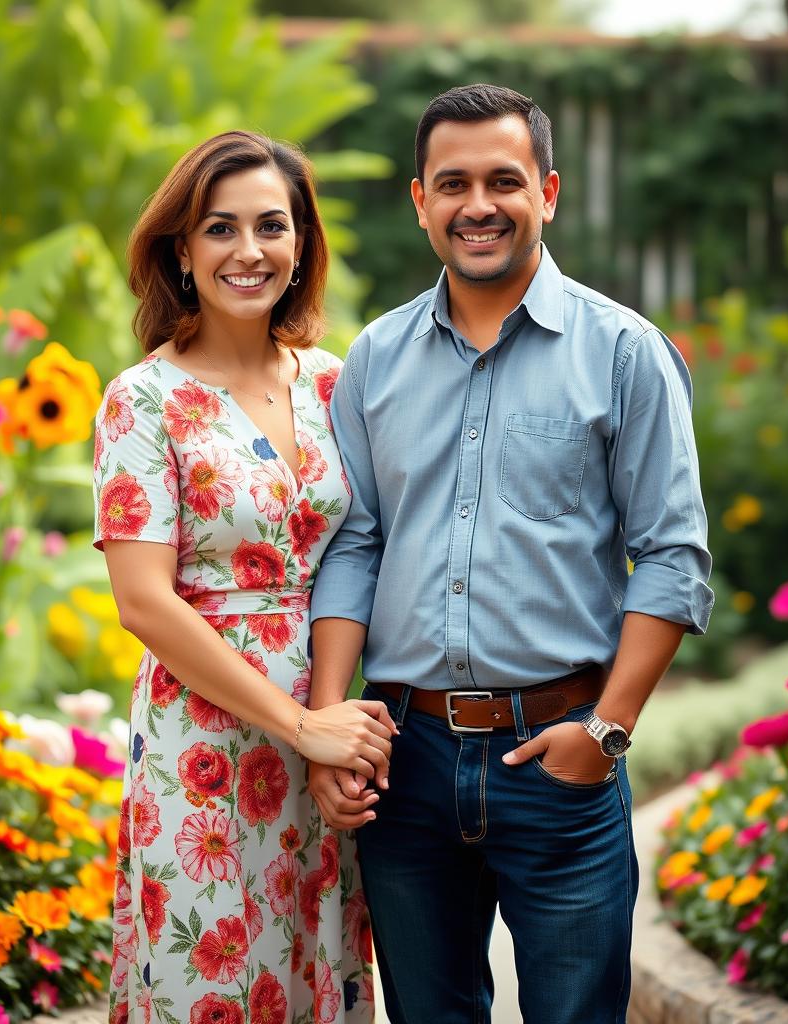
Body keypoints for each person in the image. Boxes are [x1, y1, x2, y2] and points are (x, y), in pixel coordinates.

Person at [308, 85, 714, 1024]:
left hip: (558, 761)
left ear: (549, 192)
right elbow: (355, 543)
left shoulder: (624, 353)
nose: (477, 204)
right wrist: (331, 722)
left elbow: (672, 556)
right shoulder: (374, 359)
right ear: (420, 201)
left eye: (504, 180)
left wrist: (606, 732)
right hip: (404, 768)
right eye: (453, 183)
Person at [94, 130, 391, 1024]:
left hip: (329, 737)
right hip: (207, 750)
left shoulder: (338, 384)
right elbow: (143, 602)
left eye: (272, 226)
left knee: (315, 973)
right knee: (214, 982)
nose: (249, 250)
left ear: (301, 244)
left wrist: (331, 725)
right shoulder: (141, 401)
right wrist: (300, 726)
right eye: (220, 229)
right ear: (181, 250)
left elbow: (356, 549)